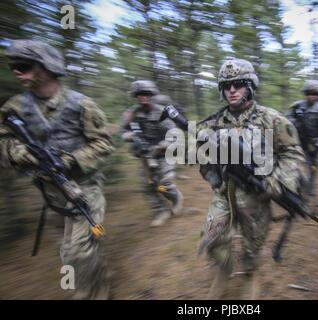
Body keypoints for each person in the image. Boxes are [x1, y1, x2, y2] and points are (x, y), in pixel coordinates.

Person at [0, 40, 114, 299]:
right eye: (13, 66)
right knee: (66, 251)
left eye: (24, 65)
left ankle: (98, 289)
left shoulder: (81, 104)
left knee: (80, 249)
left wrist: (70, 160)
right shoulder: (14, 109)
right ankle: (89, 280)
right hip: (50, 192)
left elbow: (104, 143)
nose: (17, 71)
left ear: (46, 67)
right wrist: (24, 154)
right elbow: (3, 144)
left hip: (84, 187)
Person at [197, 59, 306, 299]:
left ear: (250, 86)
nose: (232, 90)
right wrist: (210, 167)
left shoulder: (273, 120)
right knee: (212, 238)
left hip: (257, 196)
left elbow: (294, 155)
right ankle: (224, 268)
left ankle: (250, 274)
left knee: (252, 245)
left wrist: (275, 181)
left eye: (238, 84)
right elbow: (201, 155)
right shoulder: (213, 122)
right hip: (224, 193)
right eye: (226, 86)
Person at [121, 80, 183, 227]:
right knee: (147, 186)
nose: (142, 97)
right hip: (145, 155)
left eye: (146, 94)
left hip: (164, 153)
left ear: (152, 95)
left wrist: (162, 145)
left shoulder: (163, 112)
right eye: (139, 94)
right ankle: (161, 211)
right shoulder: (132, 114)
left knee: (164, 183)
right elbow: (123, 130)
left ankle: (176, 198)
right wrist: (130, 136)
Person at [286, 80, 318, 196]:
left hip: (314, 144)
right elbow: (286, 119)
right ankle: (298, 188)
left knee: (313, 168)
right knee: (297, 166)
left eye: (314, 94)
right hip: (298, 142)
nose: (311, 96)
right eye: (309, 93)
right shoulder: (297, 106)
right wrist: (295, 123)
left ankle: (309, 189)